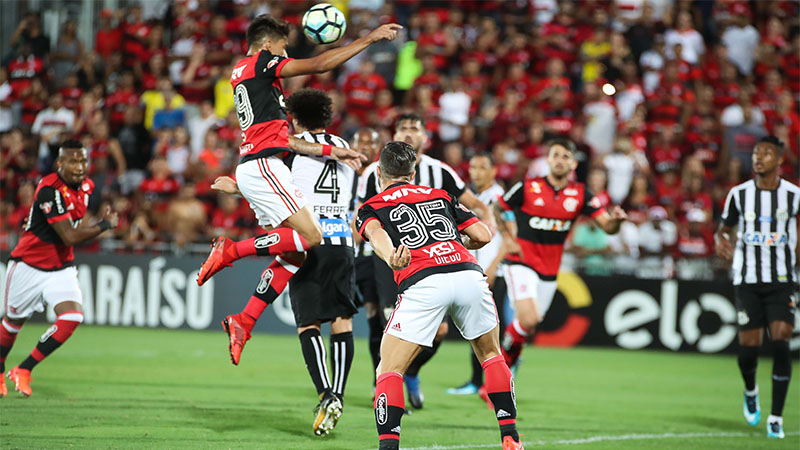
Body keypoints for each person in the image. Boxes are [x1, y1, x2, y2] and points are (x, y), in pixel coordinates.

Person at [194, 15, 400, 366]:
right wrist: (368, 39)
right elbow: (320, 64)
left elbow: (282, 138)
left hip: (259, 165)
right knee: (311, 235)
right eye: (283, 46)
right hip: (264, 166)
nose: (285, 51)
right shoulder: (261, 63)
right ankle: (231, 250)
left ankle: (244, 320)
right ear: (268, 45)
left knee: (295, 255)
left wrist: (330, 151)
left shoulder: (244, 73)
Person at [356, 141, 524, 450]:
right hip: (468, 274)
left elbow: (375, 236)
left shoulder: (372, 206)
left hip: (424, 281)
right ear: (414, 172)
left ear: (379, 172)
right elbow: (483, 235)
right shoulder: (441, 195)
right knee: (490, 355)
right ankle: (511, 437)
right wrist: (455, 242)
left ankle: (388, 447)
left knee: (389, 369)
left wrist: (392, 255)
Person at [356, 112, 496, 409]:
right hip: (388, 261)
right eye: (402, 128)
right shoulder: (372, 173)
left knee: (441, 330)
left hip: (432, 265)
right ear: (394, 133)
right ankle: (380, 381)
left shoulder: (442, 172)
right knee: (385, 323)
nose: (408, 133)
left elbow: (475, 204)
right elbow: (364, 214)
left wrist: (489, 227)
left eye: (414, 128)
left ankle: (410, 372)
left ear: (424, 136)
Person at [494, 138, 627, 387]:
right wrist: (508, 237)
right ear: (548, 160)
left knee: (526, 326)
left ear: (574, 163)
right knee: (529, 319)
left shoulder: (581, 195)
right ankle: (499, 379)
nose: (560, 160)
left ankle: (503, 368)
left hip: (550, 270)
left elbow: (607, 226)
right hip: (520, 261)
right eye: (556, 155)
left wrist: (617, 220)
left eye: (566, 156)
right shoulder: (527, 187)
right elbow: (498, 208)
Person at [1, 140, 119, 397]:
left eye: (83, 161)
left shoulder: (88, 186)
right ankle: (0, 370)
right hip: (28, 265)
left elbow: (73, 223)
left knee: (73, 317)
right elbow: (69, 236)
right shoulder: (48, 189)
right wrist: (105, 225)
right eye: (73, 161)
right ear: (60, 164)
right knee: (12, 322)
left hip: (61, 266)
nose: (79, 167)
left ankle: (24, 369)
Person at [715, 136, 798, 440]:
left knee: (780, 340)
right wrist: (720, 243)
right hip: (747, 281)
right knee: (748, 350)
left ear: (779, 161)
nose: (758, 158)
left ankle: (775, 417)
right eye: (755, 153)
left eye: (766, 153)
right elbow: (723, 230)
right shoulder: (739, 195)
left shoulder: (793, 195)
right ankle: (751, 390)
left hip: (780, 280)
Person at [447, 153, 508, 395]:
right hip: (478, 269)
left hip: (494, 272)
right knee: (478, 324)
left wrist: (492, 266)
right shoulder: (477, 199)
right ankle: (480, 380)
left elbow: (509, 238)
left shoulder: (498, 199)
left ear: (494, 171)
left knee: (486, 327)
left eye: (483, 167)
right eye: (472, 167)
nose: (476, 172)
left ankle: (484, 381)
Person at [350, 127, 385, 386]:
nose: (364, 147)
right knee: (339, 317)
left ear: (376, 148)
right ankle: (335, 386)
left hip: (371, 256)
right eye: (360, 142)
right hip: (344, 254)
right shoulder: (339, 171)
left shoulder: (380, 176)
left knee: (376, 317)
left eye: (369, 143)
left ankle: (379, 382)